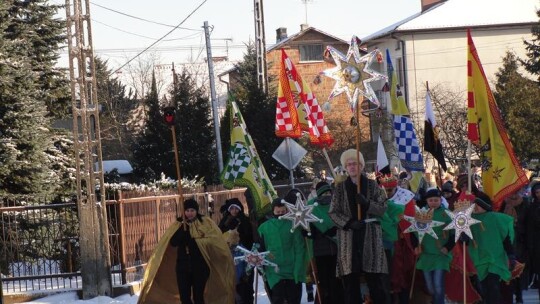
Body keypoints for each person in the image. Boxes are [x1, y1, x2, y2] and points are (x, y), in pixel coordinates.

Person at [137, 198, 235, 304]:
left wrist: (196, 241)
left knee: (198, 297)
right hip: (183, 267)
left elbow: (214, 240)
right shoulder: (179, 224)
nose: (189, 213)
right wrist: (182, 233)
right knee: (185, 298)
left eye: (192, 210)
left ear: (196, 211)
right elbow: (173, 242)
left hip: (200, 267)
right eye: (187, 211)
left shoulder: (205, 222)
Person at [328, 149, 391, 304]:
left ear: (361, 166)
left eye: (355, 163)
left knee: (376, 284)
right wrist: (349, 223)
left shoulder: (372, 185)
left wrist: (367, 204)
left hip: (370, 238)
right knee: (350, 285)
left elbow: (383, 207)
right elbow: (333, 213)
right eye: (348, 164)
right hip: (349, 241)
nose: (351, 167)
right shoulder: (340, 189)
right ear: (345, 167)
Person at [258, 198, 308, 304]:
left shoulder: (293, 225)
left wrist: (298, 267)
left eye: (283, 212)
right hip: (274, 268)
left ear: (287, 211)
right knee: (278, 298)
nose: (280, 214)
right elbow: (262, 249)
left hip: (292, 267)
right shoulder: (264, 228)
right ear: (273, 212)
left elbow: (299, 247)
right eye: (278, 212)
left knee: (293, 298)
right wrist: (261, 264)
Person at [468, 193, 515, 304]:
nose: (475, 207)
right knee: (485, 289)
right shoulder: (469, 220)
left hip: (495, 259)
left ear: (484, 205)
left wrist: (511, 255)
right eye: (473, 205)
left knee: (493, 286)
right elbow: (463, 241)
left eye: (478, 205)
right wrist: (463, 235)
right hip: (479, 259)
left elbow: (506, 239)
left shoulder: (496, 218)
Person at [411, 188, 454, 304]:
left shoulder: (447, 214)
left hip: (441, 254)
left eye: (436, 200)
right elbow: (413, 232)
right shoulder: (421, 213)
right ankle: (438, 300)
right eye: (431, 200)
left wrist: (448, 247)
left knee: (438, 285)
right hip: (426, 255)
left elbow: (454, 234)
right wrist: (416, 246)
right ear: (426, 201)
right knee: (430, 287)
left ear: (441, 200)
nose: (433, 202)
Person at [306, 181, 344, 303]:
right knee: (324, 282)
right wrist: (308, 232)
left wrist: (336, 228)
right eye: (324, 193)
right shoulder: (312, 208)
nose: (327, 195)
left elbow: (344, 221)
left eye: (329, 192)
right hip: (321, 251)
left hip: (338, 249)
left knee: (337, 280)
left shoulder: (338, 204)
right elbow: (308, 228)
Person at [219, 198, 255, 304]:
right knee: (232, 284)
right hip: (229, 257)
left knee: (245, 285)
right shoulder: (224, 221)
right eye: (232, 208)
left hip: (244, 257)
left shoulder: (245, 220)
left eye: (236, 208)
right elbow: (219, 235)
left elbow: (249, 238)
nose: (234, 211)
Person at [523, 181, 540, 301]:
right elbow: (529, 225)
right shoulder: (532, 206)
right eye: (537, 192)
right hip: (536, 242)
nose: (539, 194)